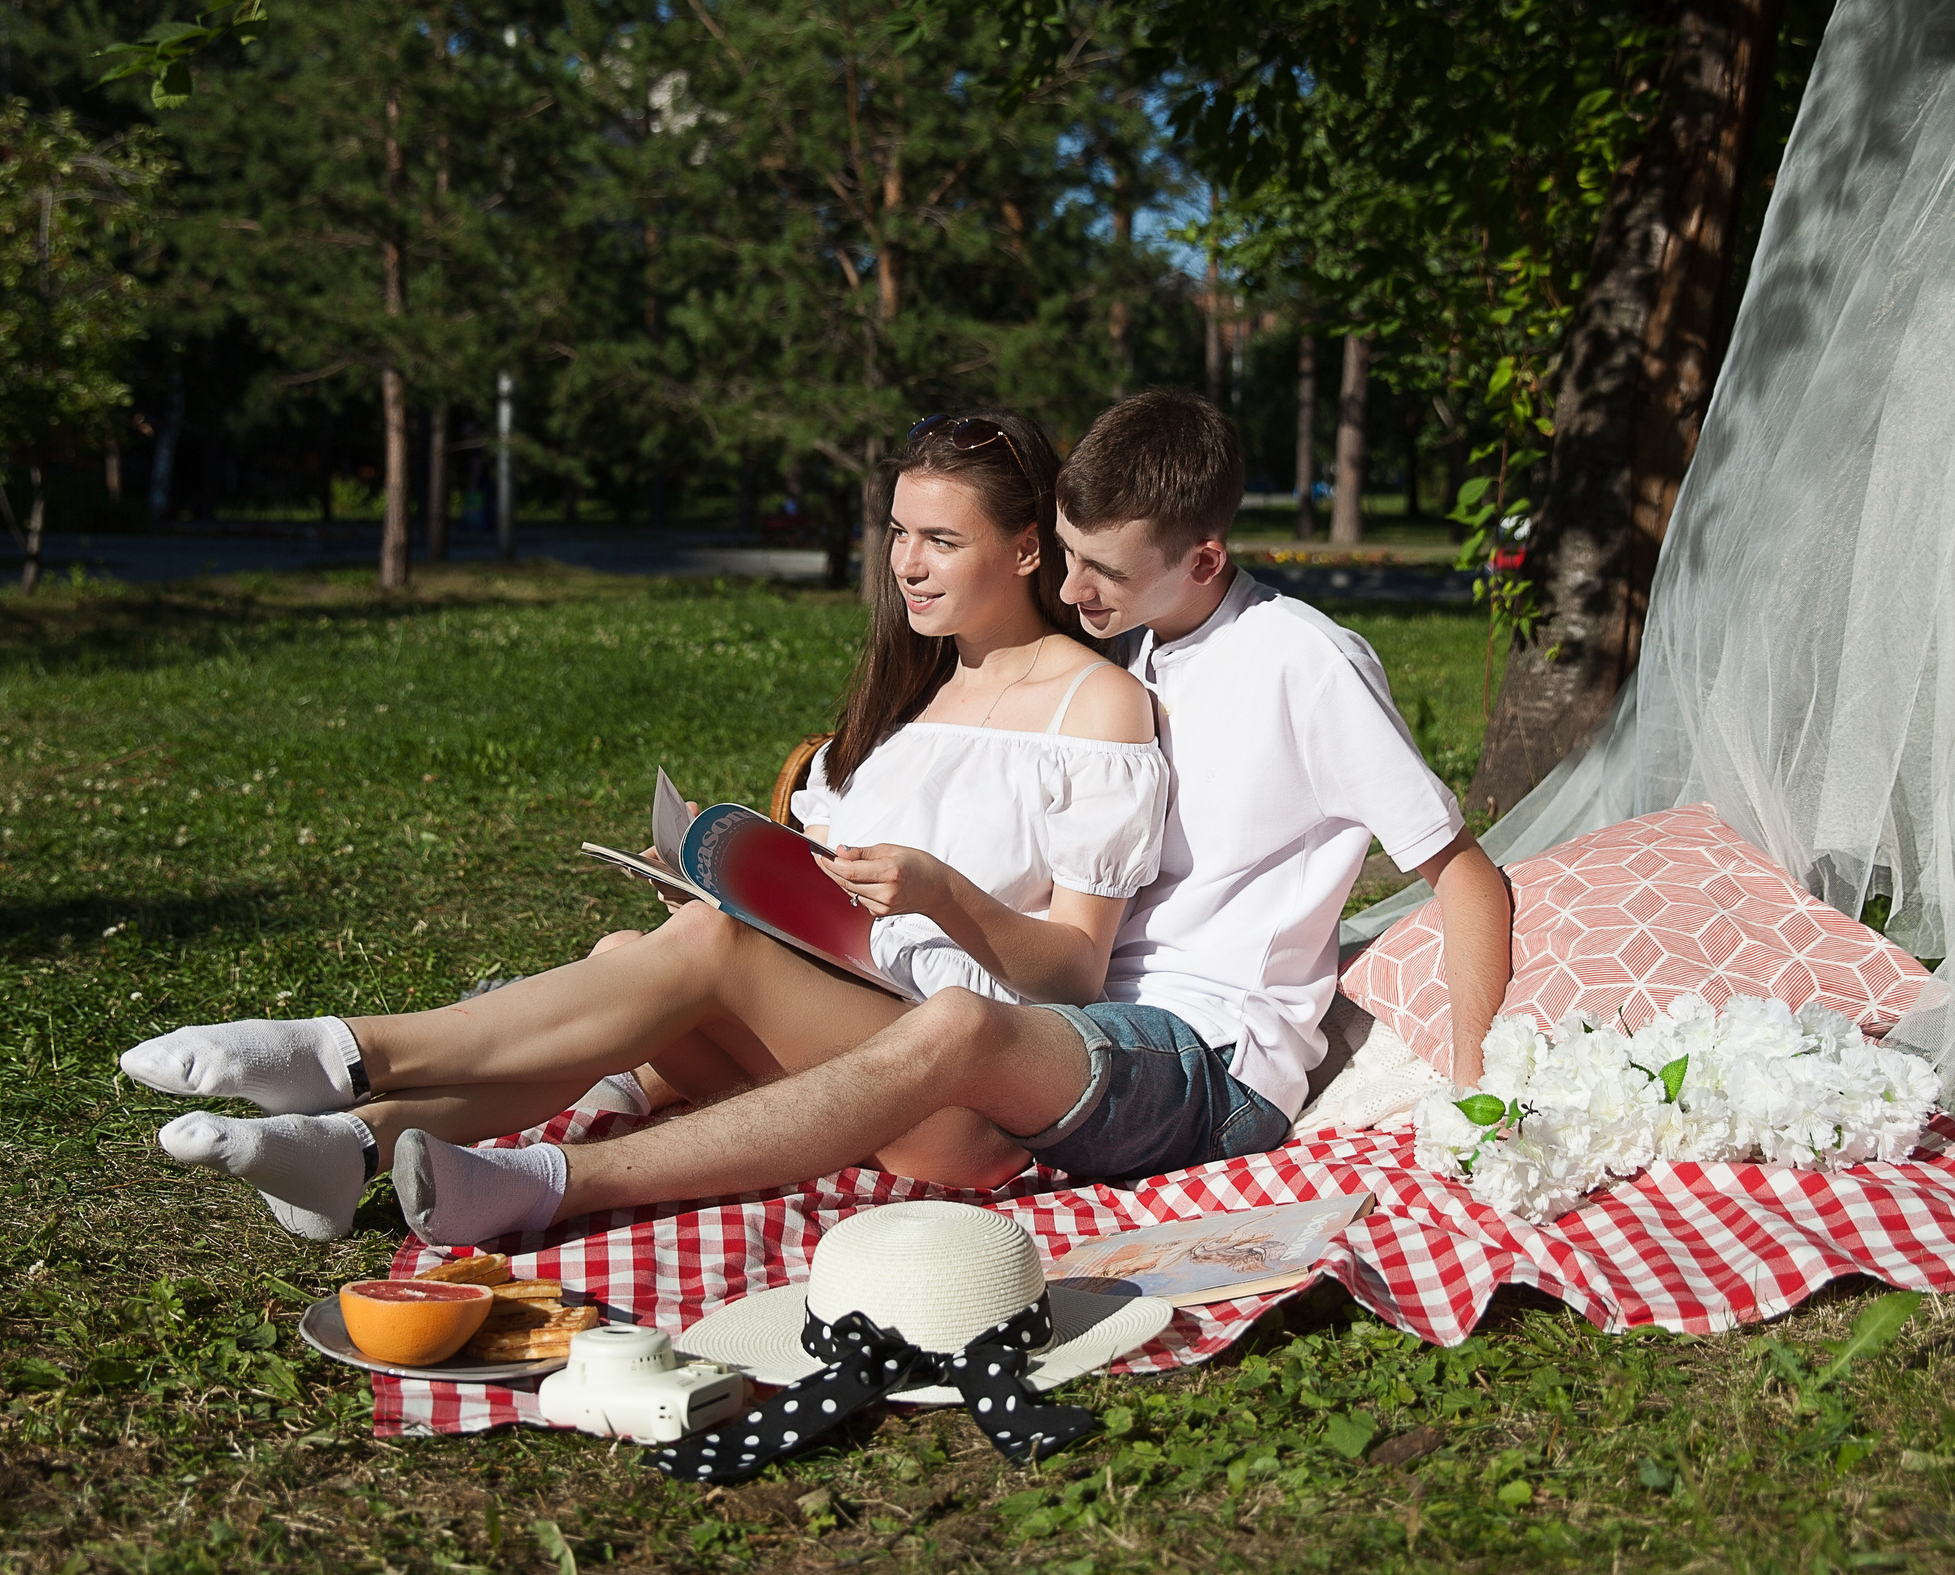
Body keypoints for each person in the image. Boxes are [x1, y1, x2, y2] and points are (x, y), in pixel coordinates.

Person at [383, 389, 1515, 1238]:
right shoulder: (1146, 647)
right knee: (700, 951)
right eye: (1066, 556)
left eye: (1102, 572)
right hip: (1078, 1035)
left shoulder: (1306, 662)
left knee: (955, 1027)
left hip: (1210, 1058)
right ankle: (370, 1097)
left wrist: (1474, 1096)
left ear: (1206, 558)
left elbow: (1466, 875)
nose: (1070, 592)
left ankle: (549, 1184)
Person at [117, 411, 1168, 1239]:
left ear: (1025, 550)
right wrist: (731, 873)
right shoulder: (912, 696)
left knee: (707, 950)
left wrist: (942, 893)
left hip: (960, 1095)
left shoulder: (1095, 707)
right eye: (899, 532)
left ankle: (353, 1051)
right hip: (842, 1034)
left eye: (942, 539)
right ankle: (350, 1147)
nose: (908, 564)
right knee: (643, 951)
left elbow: (1076, 975)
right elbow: (829, 902)